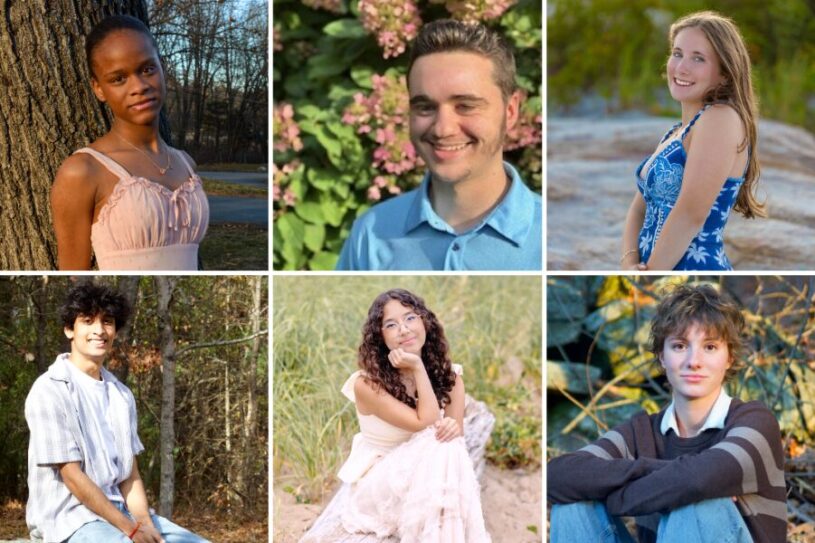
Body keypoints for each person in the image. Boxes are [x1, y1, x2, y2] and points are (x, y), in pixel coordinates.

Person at [547, 284, 786, 543]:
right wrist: (655, 470)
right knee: (572, 508)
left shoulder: (755, 423)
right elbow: (557, 475)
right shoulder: (642, 433)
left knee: (697, 505)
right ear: (662, 356)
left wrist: (617, 497)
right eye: (680, 346)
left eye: (709, 347)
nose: (694, 361)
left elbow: (697, 481)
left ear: (729, 358)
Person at [336, 19, 541, 271]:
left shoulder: (553, 234)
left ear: (510, 111)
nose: (443, 129)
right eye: (425, 107)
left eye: (466, 106)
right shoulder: (371, 232)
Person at [25, 282, 209, 543]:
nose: (99, 330)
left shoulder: (121, 395)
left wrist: (144, 524)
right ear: (69, 329)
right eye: (88, 321)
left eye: (107, 322)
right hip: (69, 519)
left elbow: (129, 476)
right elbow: (71, 476)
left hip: (123, 514)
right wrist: (130, 530)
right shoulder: (50, 389)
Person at [300, 289, 490, 542]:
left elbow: (456, 440)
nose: (404, 329)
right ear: (380, 337)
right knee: (438, 441)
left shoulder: (451, 377)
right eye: (391, 324)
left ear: (425, 322)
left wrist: (453, 428)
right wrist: (418, 367)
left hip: (430, 480)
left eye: (410, 318)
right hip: (380, 488)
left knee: (447, 445)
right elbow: (426, 422)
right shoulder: (367, 385)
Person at [51, 15, 209, 271]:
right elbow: (73, 275)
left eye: (147, 69)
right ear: (99, 88)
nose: (139, 87)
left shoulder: (186, 163)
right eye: (118, 79)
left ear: (162, 68)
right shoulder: (82, 171)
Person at [621, 11, 764, 271]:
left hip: (692, 268)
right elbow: (638, 210)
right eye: (677, 54)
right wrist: (630, 263)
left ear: (724, 73)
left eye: (698, 58)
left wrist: (649, 276)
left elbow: (690, 214)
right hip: (652, 270)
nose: (681, 67)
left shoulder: (720, 119)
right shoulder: (675, 133)